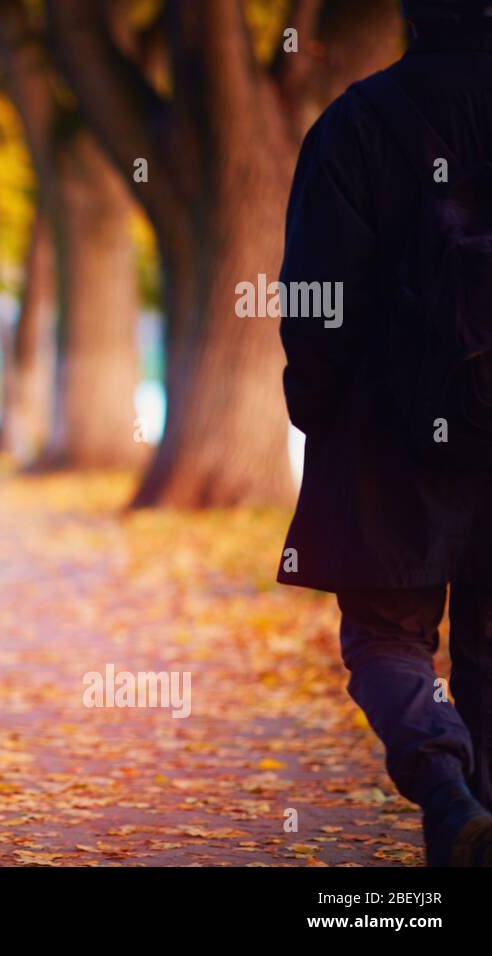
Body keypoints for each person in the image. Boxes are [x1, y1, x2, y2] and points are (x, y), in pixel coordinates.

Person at [276, 0, 492, 866]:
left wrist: (317, 407)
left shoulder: (358, 122)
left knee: (386, 637)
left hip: (387, 441)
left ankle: (446, 794)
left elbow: (314, 298)